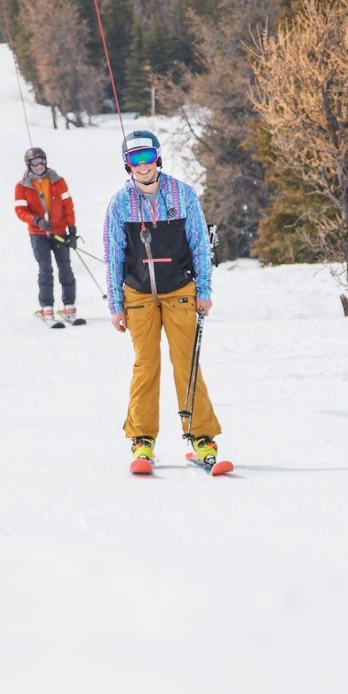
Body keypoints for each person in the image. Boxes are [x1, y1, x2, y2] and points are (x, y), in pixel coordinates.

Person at [103, 129, 222, 471]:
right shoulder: (120, 204)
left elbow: (200, 244)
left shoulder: (182, 195)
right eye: (134, 160)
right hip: (138, 294)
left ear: (158, 158)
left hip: (180, 291)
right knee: (146, 364)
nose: (142, 166)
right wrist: (115, 306)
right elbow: (114, 255)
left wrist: (204, 291)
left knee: (187, 361)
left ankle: (201, 435)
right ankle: (142, 440)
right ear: (127, 165)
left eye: (147, 157)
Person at [14, 146, 78, 322]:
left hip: (59, 232)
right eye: (35, 162)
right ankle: (47, 307)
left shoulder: (58, 181)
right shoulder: (22, 186)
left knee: (65, 268)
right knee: (45, 269)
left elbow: (68, 206)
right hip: (38, 234)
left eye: (41, 160)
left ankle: (69, 306)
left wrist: (72, 230)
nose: (39, 165)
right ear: (29, 165)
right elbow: (20, 210)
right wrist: (36, 220)